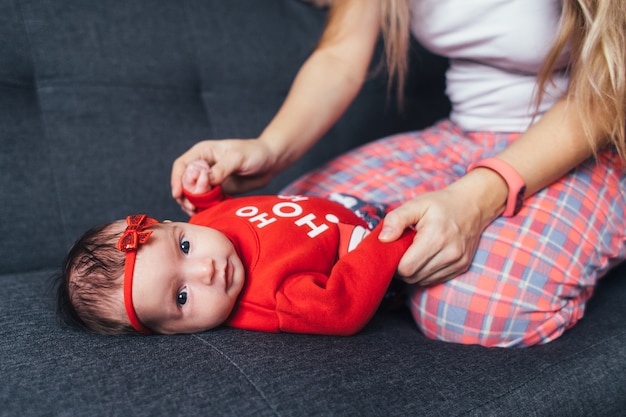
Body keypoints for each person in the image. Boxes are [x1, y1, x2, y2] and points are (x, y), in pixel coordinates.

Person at [170, 0, 626, 347]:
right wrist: (269, 148)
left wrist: (477, 197)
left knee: (468, 307)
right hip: (461, 133)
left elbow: (609, 89)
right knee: (290, 222)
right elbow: (340, 56)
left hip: (593, 139)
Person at [57, 160, 414, 336]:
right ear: (170, 332)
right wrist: (386, 242)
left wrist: (205, 194)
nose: (205, 269)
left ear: (171, 224)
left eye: (183, 246)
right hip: (385, 255)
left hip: (345, 203)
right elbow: (342, 308)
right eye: (181, 296)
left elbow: (225, 214)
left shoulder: (204, 228)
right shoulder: (271, 299)